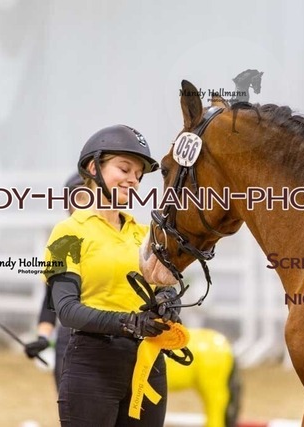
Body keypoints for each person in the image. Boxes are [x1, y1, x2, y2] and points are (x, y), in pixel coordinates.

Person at [43, 125, 180, 427]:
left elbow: (164, 287)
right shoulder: (66, 233)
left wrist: (169, 301)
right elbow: (67, 310)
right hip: (93, 364)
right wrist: (128, 322)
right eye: (124, 169)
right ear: (94, 168)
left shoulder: (145, 234)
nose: (134, 180)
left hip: (147, 365)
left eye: (139, 175)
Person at [24, 173, 84, 390]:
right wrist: (43, 337)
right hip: (69, 339)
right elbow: (50, 300)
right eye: (76, 199)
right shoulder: (62, 243)